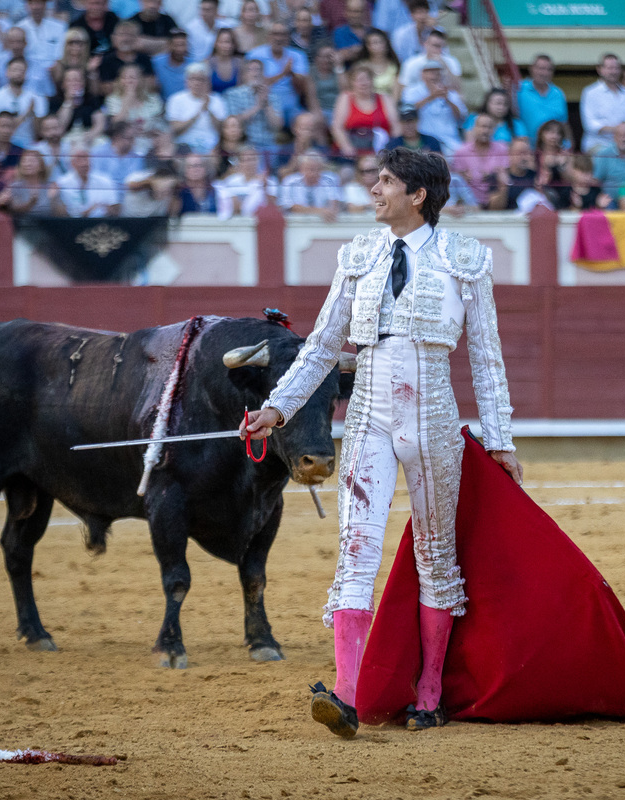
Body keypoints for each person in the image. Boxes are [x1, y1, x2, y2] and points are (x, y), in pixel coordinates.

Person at [241, 146, 520, 739]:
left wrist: (500, 440)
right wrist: (276, 407)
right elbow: (320, 344)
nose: (374, 190)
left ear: (417, 195)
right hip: (367, 410)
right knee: (355, 553)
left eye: (385, 182)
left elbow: (486, 356)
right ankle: (346, 694)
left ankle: (429, 692)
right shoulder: (359, 254)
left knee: (435, 557)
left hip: (433, 419)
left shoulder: (464, 259)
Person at [245, 22, 311, 125]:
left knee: (308, 123)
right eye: (275, 34)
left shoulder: (298, 55)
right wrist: (283, 73)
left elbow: (304, 88)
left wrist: (292, 74)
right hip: (265, 103)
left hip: (291, 106)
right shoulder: (255, 54)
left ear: (288, 37)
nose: (279, 38)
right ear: (268, 36)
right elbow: (253, 83)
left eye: (283, 34)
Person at [331, 63, 398, 157]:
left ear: (372, 80)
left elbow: (396, 126)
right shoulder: (345, 98)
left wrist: (393, 149)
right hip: (352, 151)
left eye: (367, 78)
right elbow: (337, 127)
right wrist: (347, 148)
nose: (363, 83)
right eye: (358, 80)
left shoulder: (385, 98)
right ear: (352, 83)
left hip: (381, 151)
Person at [400, 58, 466, 152]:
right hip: (425, 141)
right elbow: (407, 112)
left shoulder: (451, 94)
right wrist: (431, 97)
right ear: (422, 74)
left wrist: (447, 99)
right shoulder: (411, 92)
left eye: (437, 72)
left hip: (449, 141)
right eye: (430, 72)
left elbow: (460, 118)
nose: (434, 75)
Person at [579, 53, 625, 153]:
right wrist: (618, 129)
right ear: (599, 69)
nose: (613, 71)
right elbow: (590, 125)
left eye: (616, 68)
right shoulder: (590, 93)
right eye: (610, 68)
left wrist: (624, 131)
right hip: (598, 145)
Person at [223, 57, 284, 153]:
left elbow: (277, 126)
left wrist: (267, 103)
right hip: (244, 145)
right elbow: (234, 122)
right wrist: (258, 106)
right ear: (244, 75)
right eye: (250, 70)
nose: (255, 73)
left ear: (263, 74)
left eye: (258, 70)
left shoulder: (273, 96)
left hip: (268, 145)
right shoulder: (233, 94)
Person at [166, 62, 228, 153]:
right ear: (186, 81)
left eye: (201, 79)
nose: (196, 83)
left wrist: (209, 110)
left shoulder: (217, 100)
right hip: (184, 146)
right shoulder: (176, 99)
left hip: (211, 147)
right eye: (192, 79)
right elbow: (175, 129)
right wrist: (197, 114)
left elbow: (221, 130)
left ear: (207, 81)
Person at [451, 112, 507, 207]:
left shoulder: (502, 149)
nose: (485, 131)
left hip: (495, 199)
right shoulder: (462, 151)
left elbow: (504, 176)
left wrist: (494, 175)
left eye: (489, 127)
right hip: (469, 200)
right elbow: (457, 180)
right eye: (482, 127)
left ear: (494, 130)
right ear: (474, 128)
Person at [516, 54, 568, 149]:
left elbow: (564, 123)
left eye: (549, 69)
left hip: (553, 148)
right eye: (540, 68)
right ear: (531, 69)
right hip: (528, 148)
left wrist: (569, 146)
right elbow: (512, 115)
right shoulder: (519, 89)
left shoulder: (558, 93)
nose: (544, 73)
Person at [278, 148, 341, 221]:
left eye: (318, 169)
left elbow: (334, 203)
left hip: (325, 222)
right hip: (297, 223)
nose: (314, 173)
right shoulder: (290, 181)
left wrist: (331, 211)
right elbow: (291, 207)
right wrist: (321, 211)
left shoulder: (330, 180)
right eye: (310, 169)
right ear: (301, 168)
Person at [214, 143, 276, 216]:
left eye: (253, 159)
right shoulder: (231, 181)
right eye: (245, 160)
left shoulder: (269, 181)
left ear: (258, 161)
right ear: (239, 163)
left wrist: (265, 189)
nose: (250, 163)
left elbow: (274, 206)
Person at [53, 147, 119, 216]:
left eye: (86, 158)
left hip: (101, 224)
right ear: (71, 163)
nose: (84, 163)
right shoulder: (61, 183)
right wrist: (90, 210)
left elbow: (115, 210)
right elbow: (61, 214)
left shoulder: (105, 180)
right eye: (79, 159)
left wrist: (104, 208)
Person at [396, 27, 460, 93]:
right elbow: (404, 89)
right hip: (419, 99)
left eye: (442, 47)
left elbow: (458, 88)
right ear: (425, 44)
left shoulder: (451, 61)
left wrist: (444, 65)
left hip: (444, 99)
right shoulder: (411, 63)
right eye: (436, 46)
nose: (440, 50)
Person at [591, 121, 625, 197]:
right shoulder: (604, 155)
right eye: (622, 135)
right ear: (614, 137)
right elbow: (596, 181)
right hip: (611, 201)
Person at [463, 88, 527, 144]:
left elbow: (522, 147)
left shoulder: (516, 124)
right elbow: (469, 145)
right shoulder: (474, 119)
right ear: (487, 103)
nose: (501, 107)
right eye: (498, 103)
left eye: (505, 104)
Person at [354, 27, 401, 99]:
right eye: (374, 43)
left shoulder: (395, 66)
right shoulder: (360, 66)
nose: (378, 46)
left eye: (380, 42)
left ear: (386, 43)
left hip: (390, 105)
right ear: (367, 46)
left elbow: (396, 94)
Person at [173, 151, 218, 215]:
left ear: (206, 168)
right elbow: (173, 216)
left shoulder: (215, 189)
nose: (195, 169)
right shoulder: (179, 191)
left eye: (199, 165)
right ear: (184, 170)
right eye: (190, 166)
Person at [207, 26, 240, 94]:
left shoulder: (239, 64)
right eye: (222, 42)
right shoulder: (207, 64)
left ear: (233, 44)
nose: (226, 46)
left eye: (229, 42)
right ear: (216, 43)